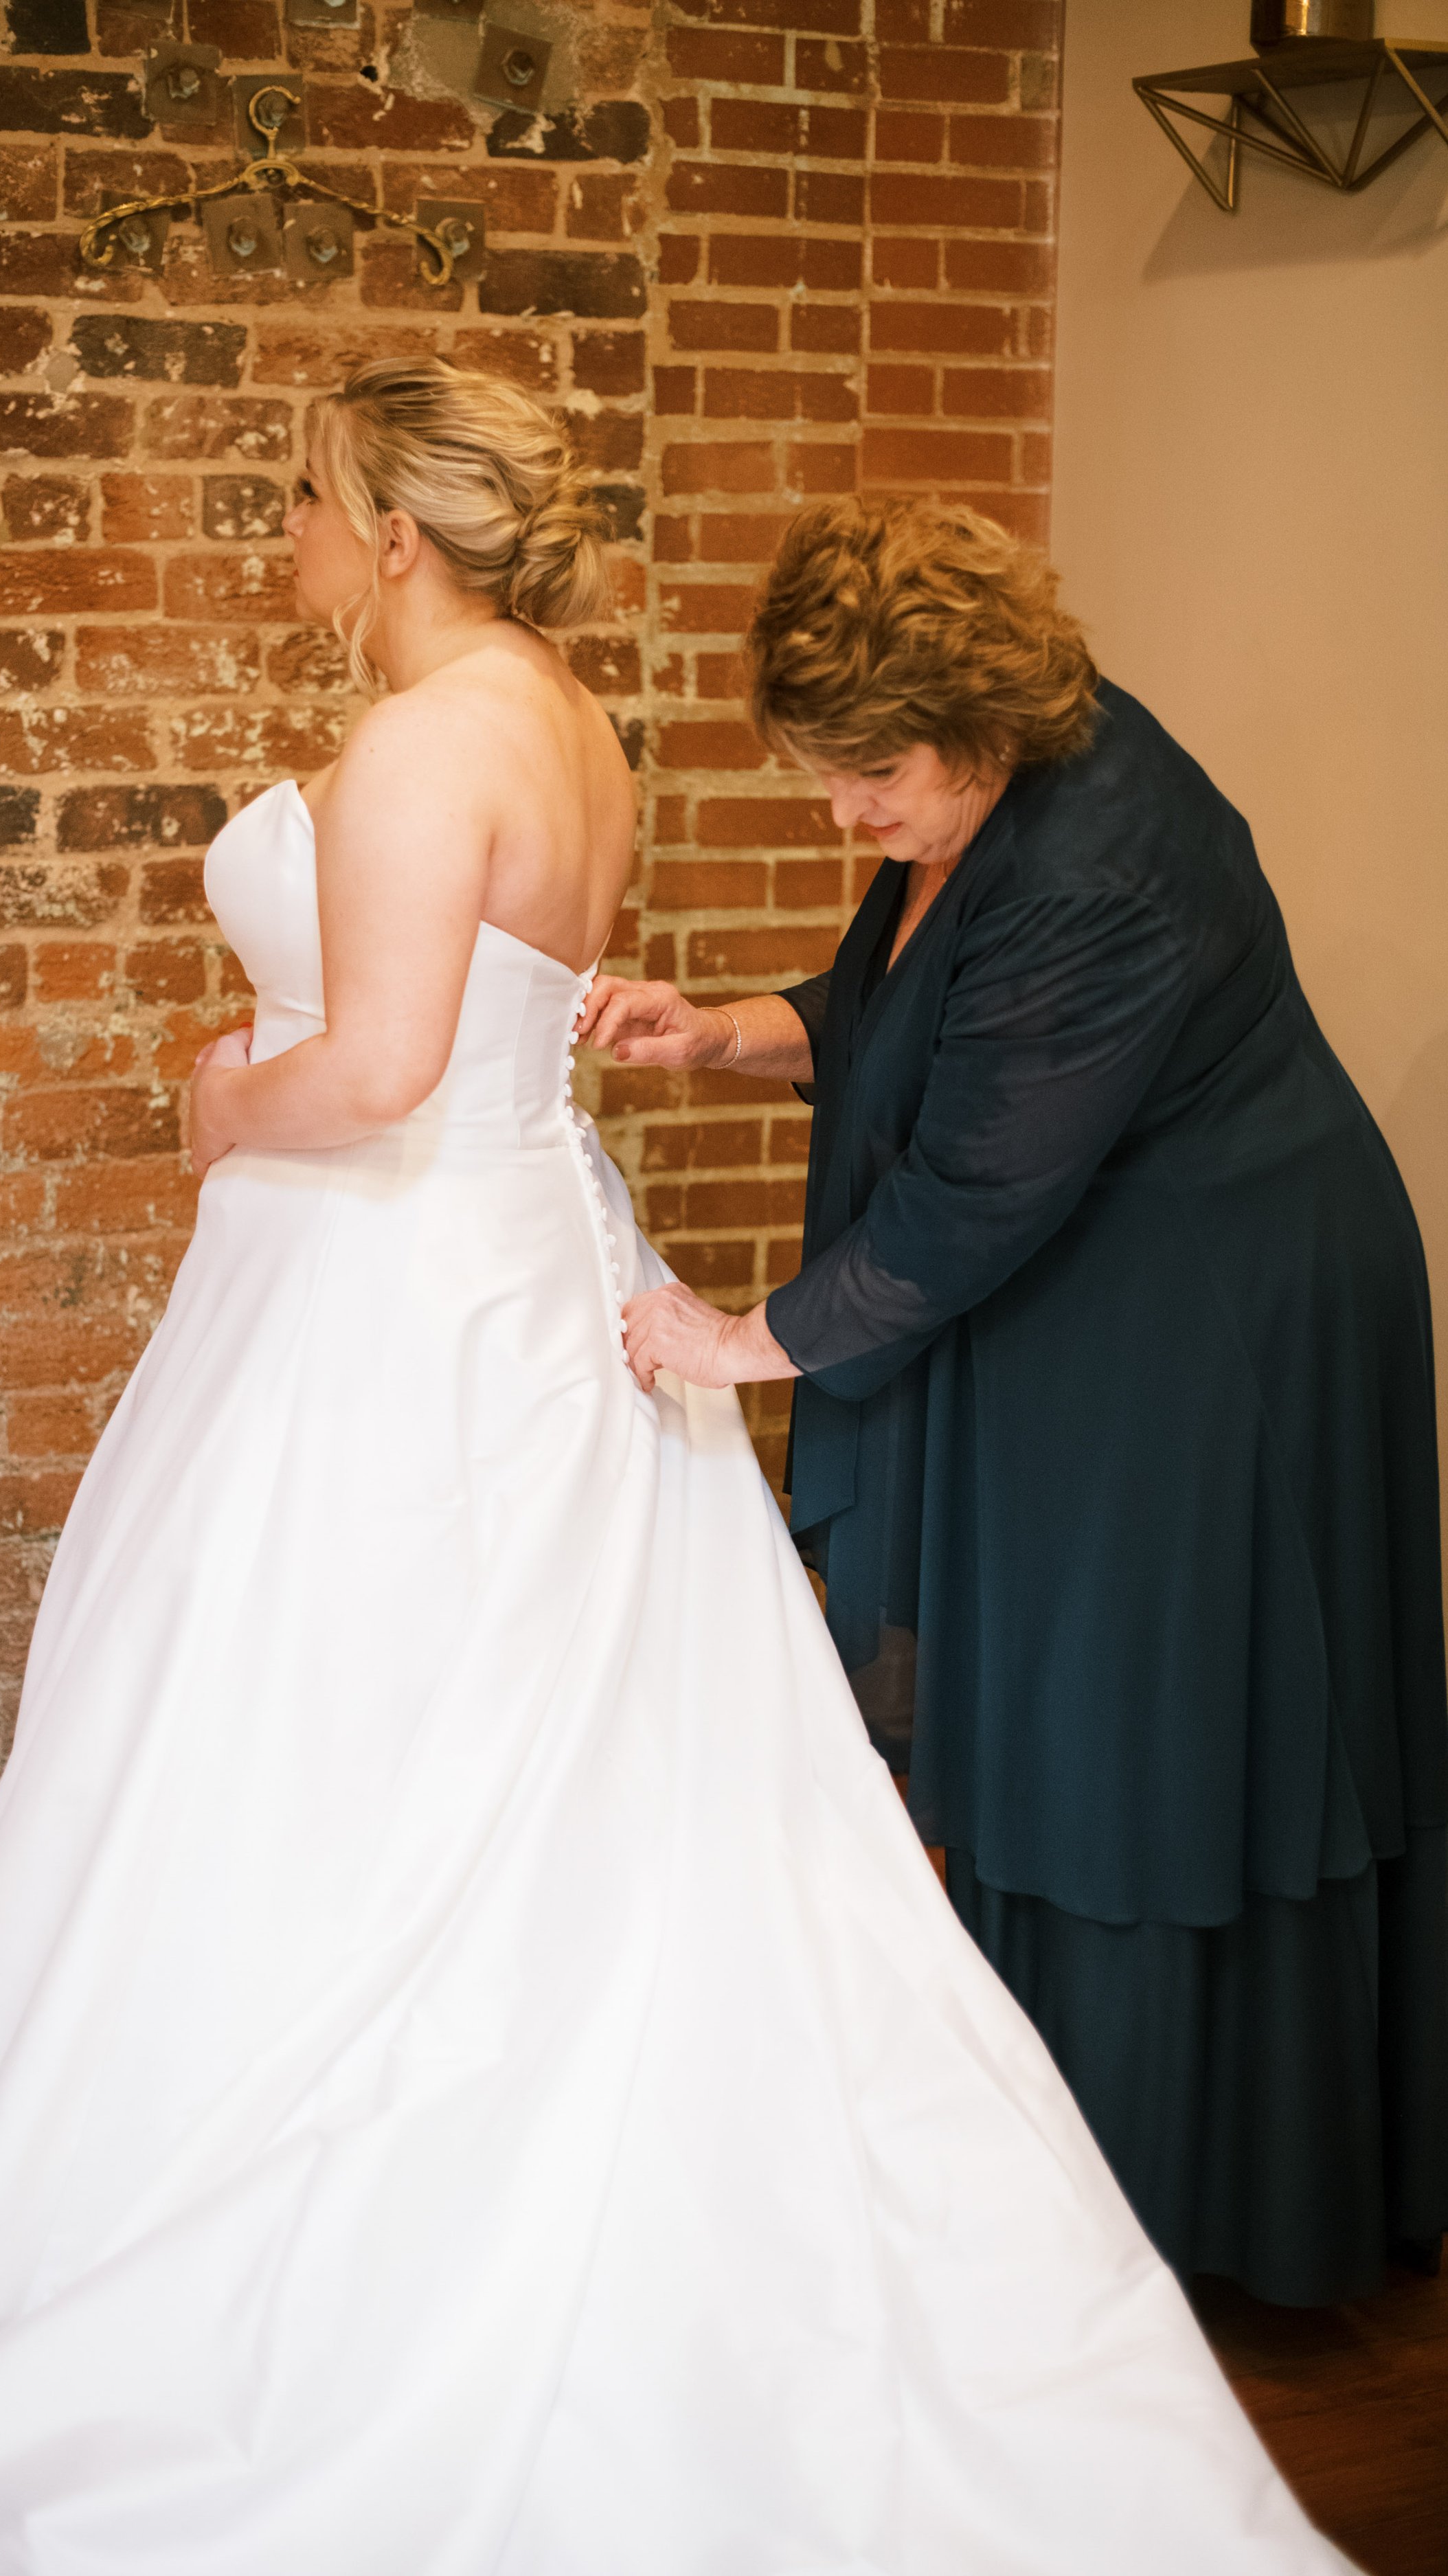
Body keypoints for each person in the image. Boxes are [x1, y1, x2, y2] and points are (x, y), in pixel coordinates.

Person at [0, 367, 1353, 2575]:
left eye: (303, 503)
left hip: (413, 1286)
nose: (286, 540)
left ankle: (308, 2179)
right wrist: (714, 1038)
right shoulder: (569, 721)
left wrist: (217, 1102)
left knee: (314, 1731)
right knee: (569, 1750)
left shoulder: (428, 743)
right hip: (525, 1255)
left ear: (393, 533)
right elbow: (687, 1020)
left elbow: (396, 1067)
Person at [585, 492, 1448, 2313]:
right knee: (1068, 1714)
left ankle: (1188, 2203)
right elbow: (909, 1020)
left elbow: (969, 1190)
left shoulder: (1096, 861)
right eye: (821, 776)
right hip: (1106, 1276)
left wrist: (733, 1339)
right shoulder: (980, 790)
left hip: (1224, 1325)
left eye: (866, 778)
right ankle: (1038, 2142)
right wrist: (719, 1030)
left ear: (978, 722)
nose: (842, 816)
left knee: (1145, 1733)